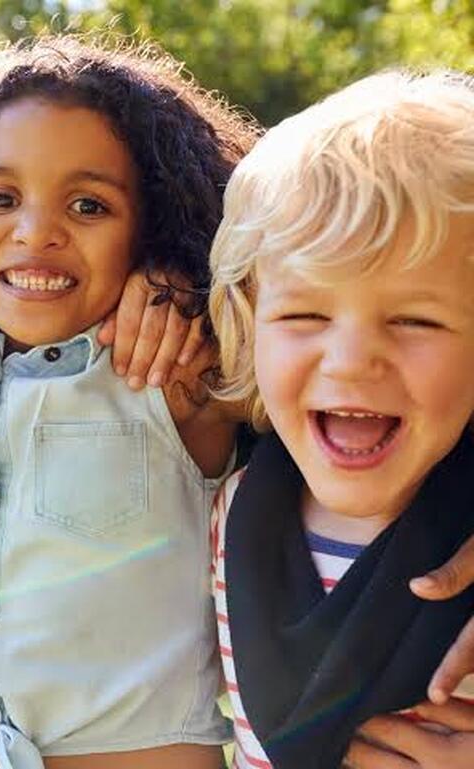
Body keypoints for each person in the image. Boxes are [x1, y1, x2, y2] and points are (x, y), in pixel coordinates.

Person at [0, 36, 256, 769]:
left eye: (89, 204)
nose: (36, 232)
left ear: (149, 227)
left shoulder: (174, 363)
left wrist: (192, 297)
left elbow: (317, 340)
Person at [209, 70, 474, 768]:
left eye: (415, 318)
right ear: (249, 319)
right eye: (304, 314)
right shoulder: (227, 510)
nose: (352, 361)